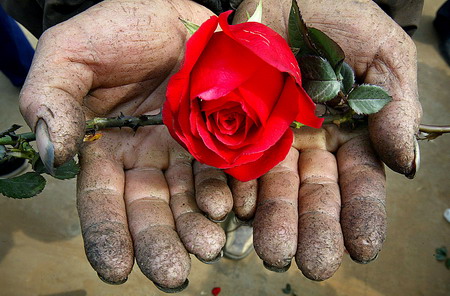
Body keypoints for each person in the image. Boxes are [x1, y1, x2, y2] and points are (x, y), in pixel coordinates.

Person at [0, 0, 423, 292]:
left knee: (254, 191)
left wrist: (381, 10)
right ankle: (240, 216)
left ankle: (244, 218)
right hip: (153, 35)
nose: (228, 119)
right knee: (217, 190)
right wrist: (86, 7)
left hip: (283, 40)